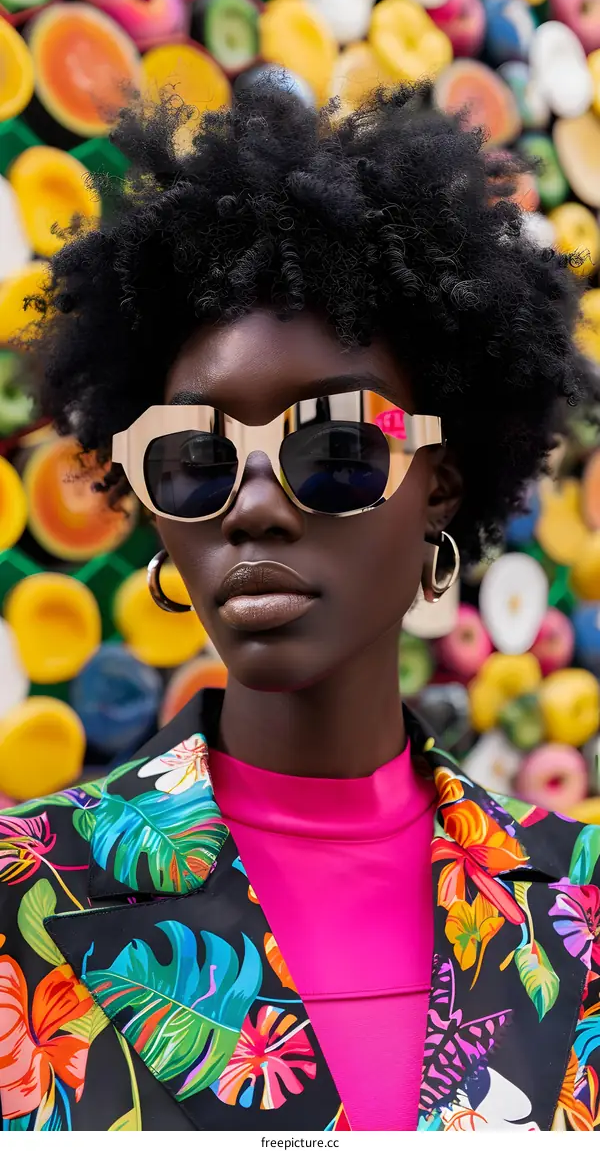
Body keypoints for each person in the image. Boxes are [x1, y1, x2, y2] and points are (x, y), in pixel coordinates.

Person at [0, 82, 597, 1134]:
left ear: (440, 486)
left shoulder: (581, 902)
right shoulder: (20, 897)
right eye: (195, 461)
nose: (256, 509)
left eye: (335, 447)